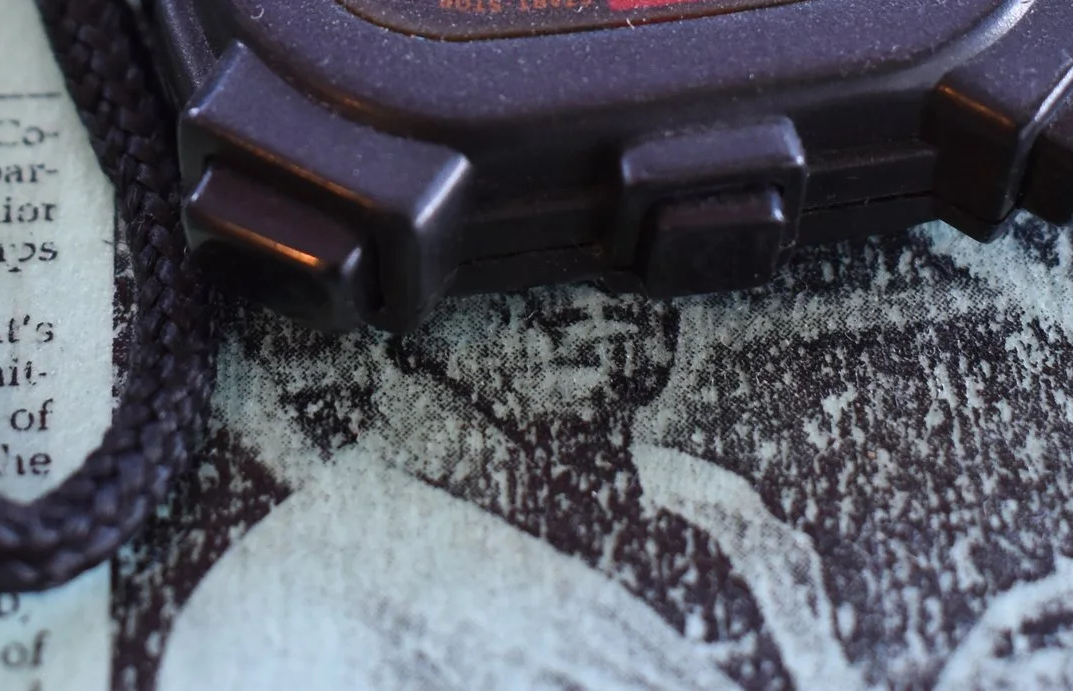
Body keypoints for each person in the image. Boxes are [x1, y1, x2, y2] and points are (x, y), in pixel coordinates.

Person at [155, 286, 863, 691]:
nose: (589, 307)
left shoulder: (719, 507)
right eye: (514, 277)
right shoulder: (300, 587)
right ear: (404, 341)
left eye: (617, 270)